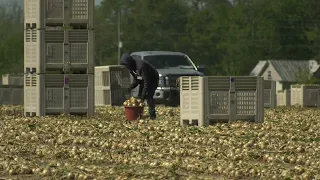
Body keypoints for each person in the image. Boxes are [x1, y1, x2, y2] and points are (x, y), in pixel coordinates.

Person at [120, 53, 159, 119]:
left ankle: (152, 116)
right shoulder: (132, 69)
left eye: (126, 65)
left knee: (148, 96)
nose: (126, 67)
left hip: (152, 79)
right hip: (144, 79)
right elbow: (137, 80)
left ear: (129, 62)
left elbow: (147, 82)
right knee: (139, 97)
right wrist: (130, 88)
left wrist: (143, 96)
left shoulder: (141, 66)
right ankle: (138, 115)